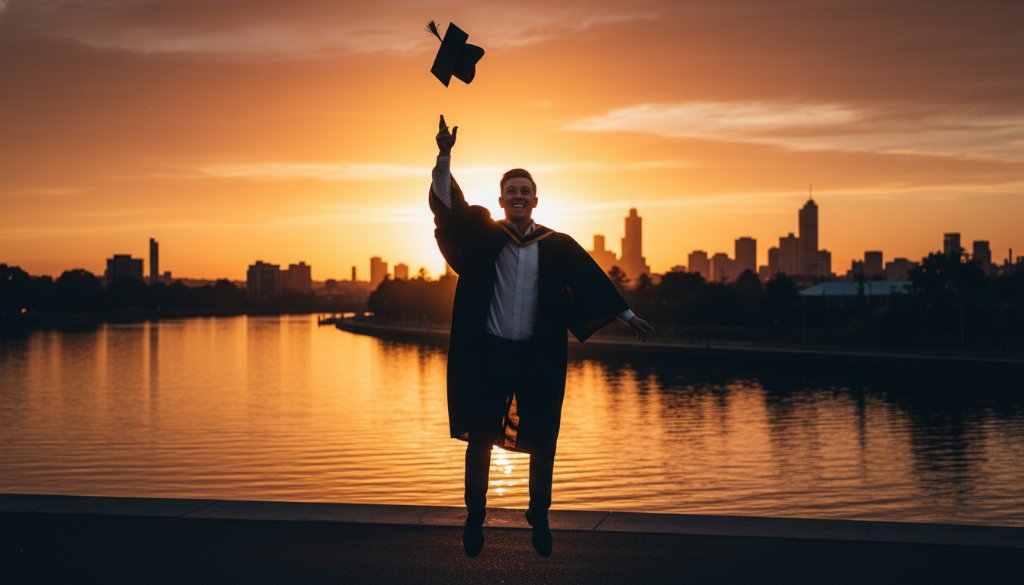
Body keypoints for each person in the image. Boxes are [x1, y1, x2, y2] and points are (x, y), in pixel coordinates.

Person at [429, 115, 655, 557]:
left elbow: (592, 282)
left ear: (535, 201)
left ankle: (540, 514)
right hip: (489, 353)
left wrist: (628, 315)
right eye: (511, 191)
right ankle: (476, 516)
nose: (518, 196)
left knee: (543, 436)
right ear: (501, 199)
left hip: (536, 355)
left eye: (525, 191)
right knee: (480, 437)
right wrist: (444, 155)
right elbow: (447, 206)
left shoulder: (556, 244)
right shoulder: (484, 236)